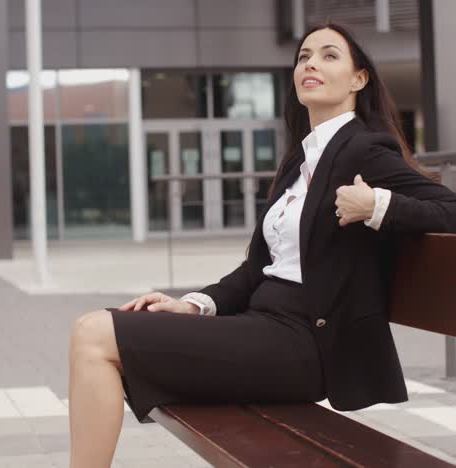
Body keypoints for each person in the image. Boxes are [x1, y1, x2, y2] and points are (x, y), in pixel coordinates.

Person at [68, 21, 456, 468]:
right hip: (262, 329)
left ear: (358, 79)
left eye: (329, 55)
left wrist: (376, 204)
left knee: (95, 334)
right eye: (304, 56)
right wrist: (193, 305)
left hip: (306, 343)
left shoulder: (364, 151)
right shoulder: (300, 161)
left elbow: (448, 208)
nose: (311, 63)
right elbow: (257, 270)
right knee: (94, 335)